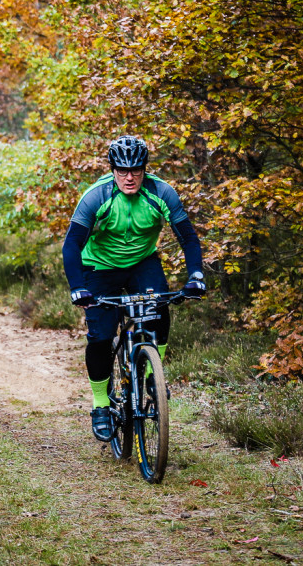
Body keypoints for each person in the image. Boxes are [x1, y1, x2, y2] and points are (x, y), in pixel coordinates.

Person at [62, 135, 206, 442]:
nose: (130, 177)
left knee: (160, 308)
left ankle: (154, 378)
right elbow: (72, 243)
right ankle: (101, 404)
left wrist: (195, 276)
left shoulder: (161, 193)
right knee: (101, 337)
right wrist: (78, 287)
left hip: (142, 262)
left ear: (145, 169)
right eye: (123, 170)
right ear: (112, 169)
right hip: (99, 267)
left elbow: (189, 238)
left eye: (136, 170)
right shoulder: (97, 196)